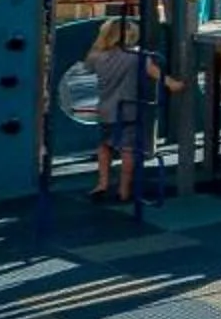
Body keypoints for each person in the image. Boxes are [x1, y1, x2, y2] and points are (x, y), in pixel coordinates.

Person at [77, 20, 180, 202]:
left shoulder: (97, 56)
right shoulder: (137, 56)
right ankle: (124, 189)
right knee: (127, 150)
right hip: (128, 110)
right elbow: (156, 74)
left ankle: (102, 183)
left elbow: (87, 66)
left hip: (105, 110)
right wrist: (174, 84)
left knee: (105, 146)